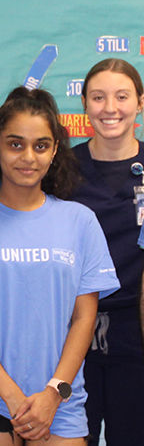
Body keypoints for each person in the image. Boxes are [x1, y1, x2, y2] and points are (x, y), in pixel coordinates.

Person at [0, 87, 119, 445]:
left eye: (41, 145)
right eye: (16, 144)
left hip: (59, 400)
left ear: (54, 151)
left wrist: (52, 393)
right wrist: (13, 397)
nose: (28, 157)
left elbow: (84, 319)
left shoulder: (79, 222)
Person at [68, 58, 144, 446]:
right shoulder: (61, 169)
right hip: (70, 331)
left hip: (137, 332)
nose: (109, 108)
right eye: (98, 97)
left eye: (121, 96)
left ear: (140, 103)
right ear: (84, 105)